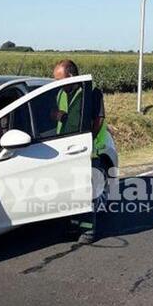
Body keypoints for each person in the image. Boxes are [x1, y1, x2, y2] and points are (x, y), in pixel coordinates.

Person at [51, 59, 108, 244]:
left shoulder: (91, 93)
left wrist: (88, 140)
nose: (57, 83)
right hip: (65, 151)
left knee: (84, 193)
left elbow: (98, 119)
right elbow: (60, 117)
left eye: (60, 79)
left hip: (87, 152)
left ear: (71, 76)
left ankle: (88, 230)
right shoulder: (60, 93)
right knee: (69, 192)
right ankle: (73, 226)